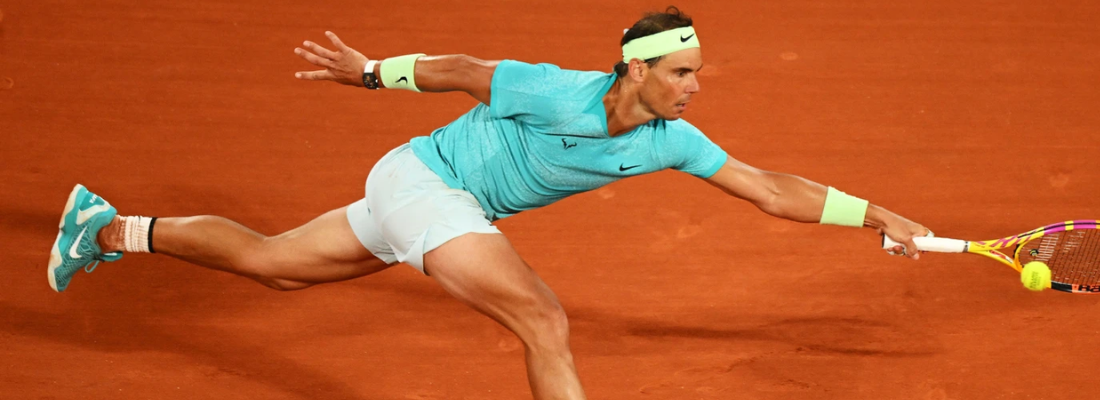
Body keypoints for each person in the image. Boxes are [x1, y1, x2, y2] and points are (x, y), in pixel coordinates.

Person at [47, 7, 929, 400]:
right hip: (423, 181)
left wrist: (878, 213)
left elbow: (771, 189)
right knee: (544, 320)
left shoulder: (673, 142)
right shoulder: (554, 90)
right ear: (638, 69)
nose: (697, 87)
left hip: (439, 203)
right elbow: (463, 71)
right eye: (682, 72)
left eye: (698, 72)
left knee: (275, 266)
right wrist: (368, 73)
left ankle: (110, 226)